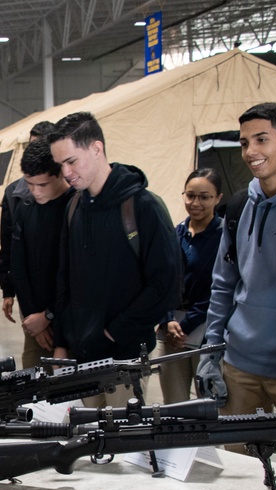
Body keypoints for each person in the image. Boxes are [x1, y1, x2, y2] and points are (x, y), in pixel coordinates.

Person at [196, 103, 276, 460]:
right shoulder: (238, 207)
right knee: (238, 471)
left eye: (261, 139)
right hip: (239, 365)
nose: (251, 152)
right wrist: (212, 352)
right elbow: (224, 284)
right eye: (243, 143)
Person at [48, 112, 180, 409]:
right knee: (88, 445)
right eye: (60, 165)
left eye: (71, 161)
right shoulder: (74, 208)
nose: (66, 173)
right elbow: (64, 279)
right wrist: (61, 341)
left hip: (125, 360)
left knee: (123, 445)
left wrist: (112, 333)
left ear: (96, 149)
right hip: (81, 359)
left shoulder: (144, 207)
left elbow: (165, 286)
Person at [154, 168, 224, 403]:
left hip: (207, 332)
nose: (196, 203)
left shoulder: (224, 238)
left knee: (208, 404)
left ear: (218, 199)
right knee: (173, 407)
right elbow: (161, 280)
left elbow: (219, 287)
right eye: (190, 195)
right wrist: (167, 319)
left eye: (204, 197)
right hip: (171, 332)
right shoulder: (175, 234)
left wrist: (187, 323)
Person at [3, 139, 74, 368]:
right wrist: (33, 317)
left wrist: (49, 316)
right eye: (29, 184)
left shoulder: (75, 207)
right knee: (33, 383)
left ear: (60, 174)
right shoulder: (26, 207)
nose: (36, 191)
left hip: (67, 319)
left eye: (42, 185)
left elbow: (74, 274)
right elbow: (19, 265)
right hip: (33, 320)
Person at [0, 120, 55, 311]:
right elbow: (8, 246)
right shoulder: (14, 195)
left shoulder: (72, 196)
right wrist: (8, 290)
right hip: (30, 295)